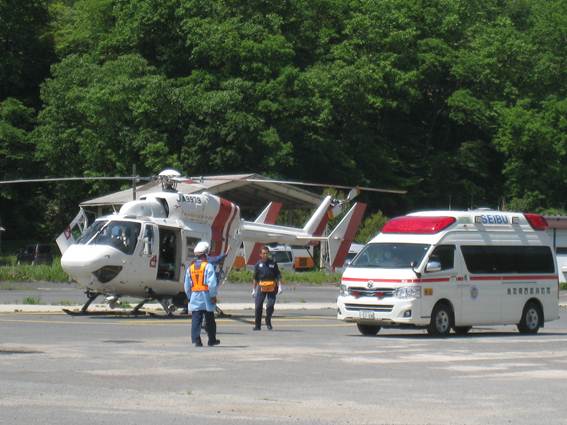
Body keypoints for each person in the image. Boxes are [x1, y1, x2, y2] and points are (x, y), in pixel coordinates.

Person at [184, 241, 220, 347]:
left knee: (196, 319)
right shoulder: (208, 266)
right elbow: (212, 284)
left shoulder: (190, 268)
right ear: (206, 254)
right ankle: (212, 339)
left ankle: (196, 340)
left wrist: (190, 297)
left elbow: (186, 286)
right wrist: (213, 296)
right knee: (210, 319)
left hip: (195, 296)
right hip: (207, 296)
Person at [252, 246, 283, 330]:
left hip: (272, 287)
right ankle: (257, 325)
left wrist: (280, 286)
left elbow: (278, 275)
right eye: (264, 253)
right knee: (258, 306)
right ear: (260, 254)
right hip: (261, 287)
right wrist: (254, 290)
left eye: (267, 253)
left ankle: (268, 319)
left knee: (270, 305)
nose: (265, 255)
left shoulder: (273, 263)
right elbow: (255, 278)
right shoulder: (258, 264)